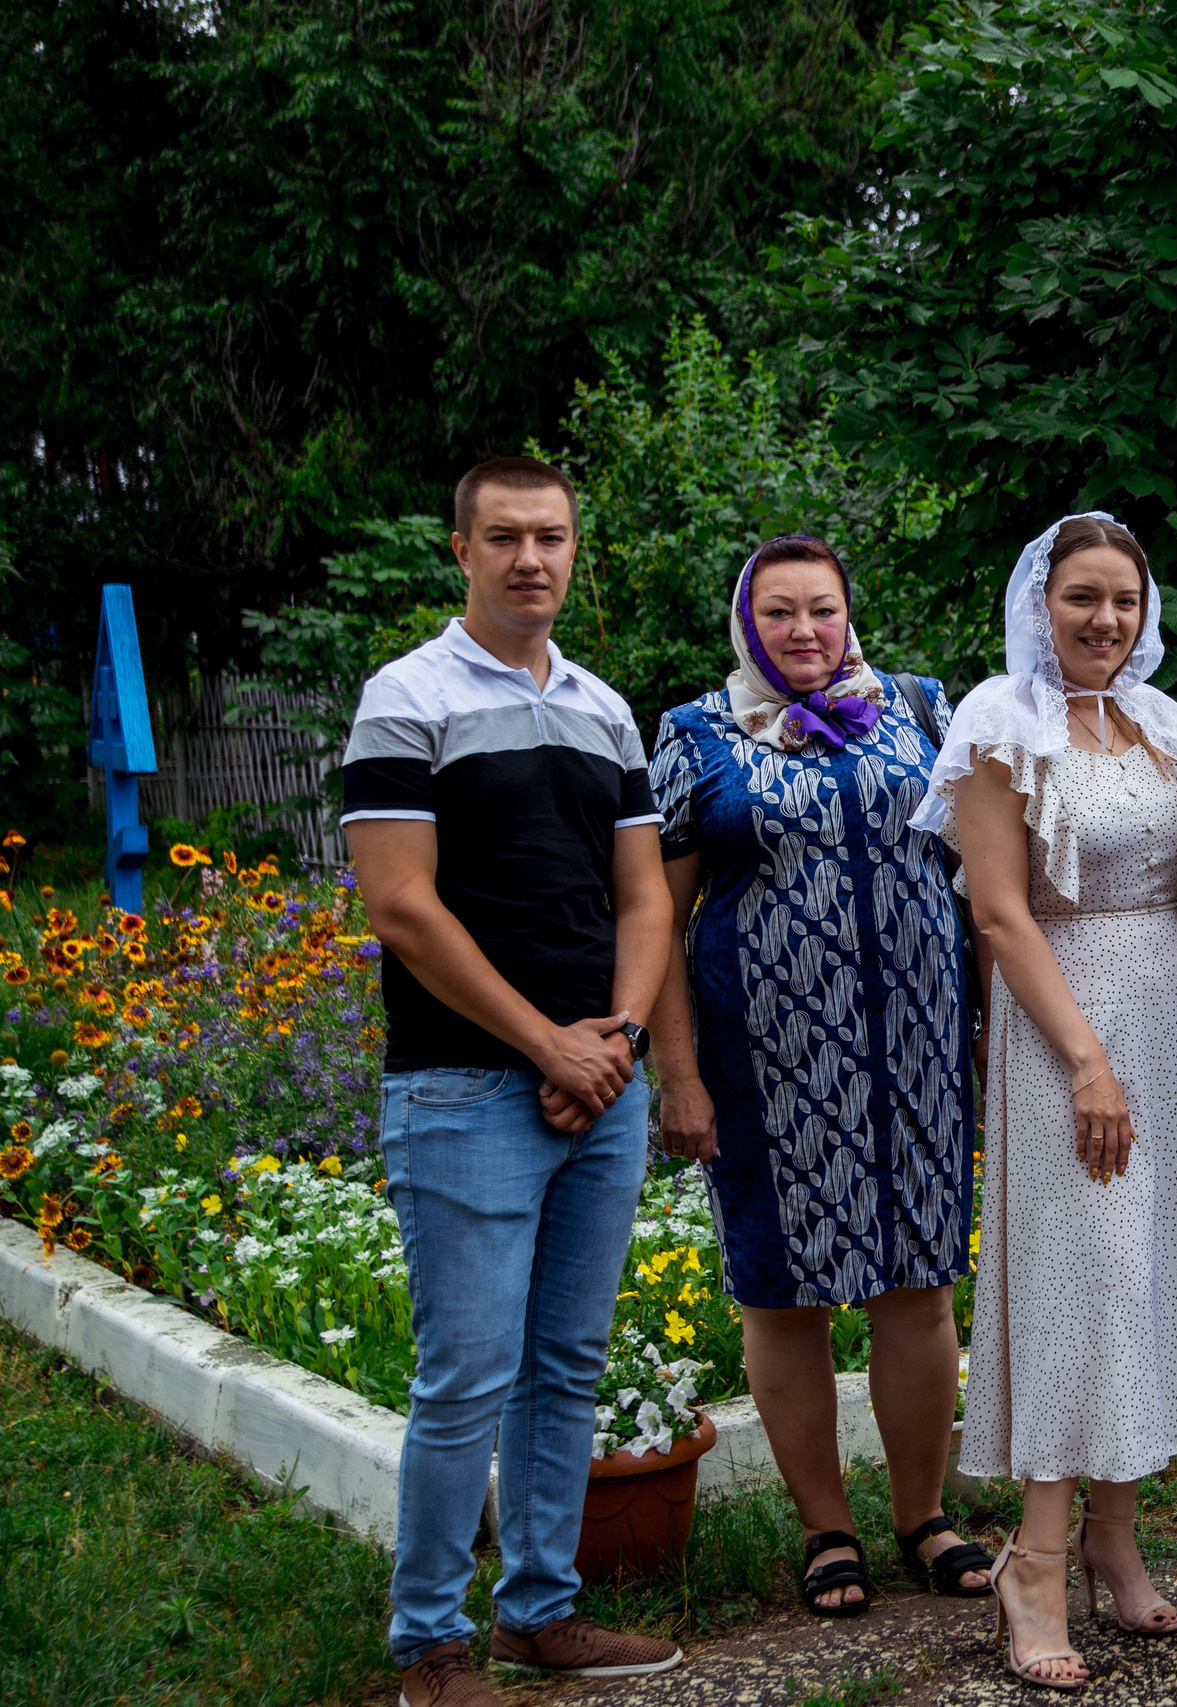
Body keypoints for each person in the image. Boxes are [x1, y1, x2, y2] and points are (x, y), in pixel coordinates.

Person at [341, 457, 680, 1707]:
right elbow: (400, 906)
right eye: (504, 538)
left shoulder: (605, 709)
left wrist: (618, 1041)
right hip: (464, 1089)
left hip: (601, 1085)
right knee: (465, 1380)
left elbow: (644, 898)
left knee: (565, 1365)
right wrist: (550, 1046)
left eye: (551, 537)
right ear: (462, 551)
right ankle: (430, 1645)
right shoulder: (405, 697)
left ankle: (538, 1613)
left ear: (574, 549)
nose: (530, 559)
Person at [915, 512, 1177, 1690]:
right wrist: (1086, 1064)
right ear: (1040, 605)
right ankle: (1036, 1563)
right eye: (1082, 598)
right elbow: (998, 912)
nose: (1105, 620)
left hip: (1173, 1024)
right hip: (1069, 1025)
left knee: (1147, 1280)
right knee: (1086, 1284)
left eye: (1123, 599)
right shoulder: (997, 724)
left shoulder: (1162, 720)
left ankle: (1115, 1535)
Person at [645, 534, 992, 1618]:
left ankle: (922, 1516)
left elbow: (980, 875)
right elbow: (658, 918)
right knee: (782, 1293)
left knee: (920, 1285)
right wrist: (677, 1073)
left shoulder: (922, 709)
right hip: (765, 1062)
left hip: (920, 1054)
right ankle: (826, 1529)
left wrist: (997, 1026)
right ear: (747, 623)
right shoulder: (696, 733)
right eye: (780, 612)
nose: (804, 631)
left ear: (849, 616)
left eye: (823, 610)